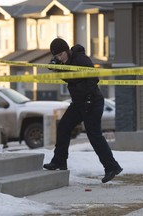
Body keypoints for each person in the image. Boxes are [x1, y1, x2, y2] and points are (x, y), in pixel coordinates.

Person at [43, 38, 123, 183]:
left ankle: (112, 167)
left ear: (67, 51)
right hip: (78, 103)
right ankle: (59, 161)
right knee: (63, 126)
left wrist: (88, 98)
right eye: (57, 56)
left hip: (92, 101)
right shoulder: (64, 63)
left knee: (94, 135)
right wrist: (56, 67)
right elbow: (70, 80)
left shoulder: (80, 59)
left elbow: (93, 77)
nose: (60, 58)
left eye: (61, 54)